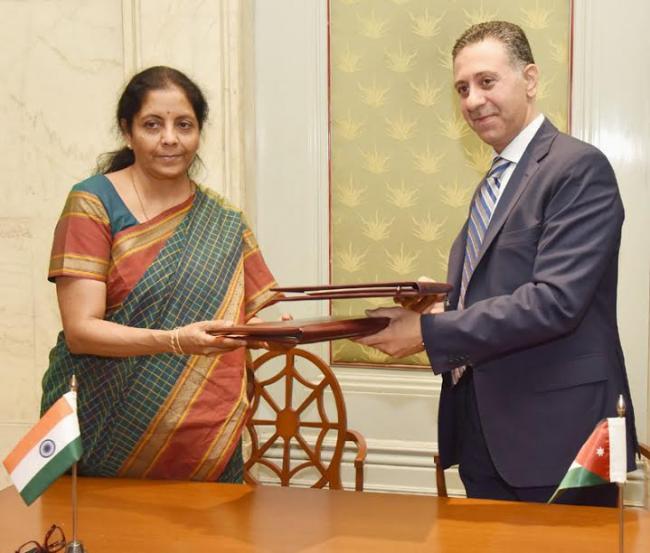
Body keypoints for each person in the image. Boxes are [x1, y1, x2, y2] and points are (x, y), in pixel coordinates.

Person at [358, 21, 638, 505]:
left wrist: (428, 332)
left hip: (562, 438)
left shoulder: (576, 168)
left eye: (486, 81)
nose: (472, 100)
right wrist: (441, 303)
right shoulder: (496, 179)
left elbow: (554, 302)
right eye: (462, 89)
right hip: (485, 434)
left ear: (530, 79)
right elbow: (499, 289)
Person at [41, 66, 279, 483]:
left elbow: (248, 316)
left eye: (184, 125)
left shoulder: (225, 220)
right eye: (153, 124)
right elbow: (81, 331)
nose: (170, 138)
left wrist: (265, 331)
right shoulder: (93, 203)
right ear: (127, 131)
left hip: (205, 441)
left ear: (199, 132)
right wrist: (174, 341)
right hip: (103, 434)